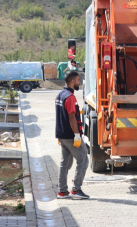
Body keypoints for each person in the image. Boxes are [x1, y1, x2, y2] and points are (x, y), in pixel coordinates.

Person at [55, 71, 89, 199]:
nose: (80, 82)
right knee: (83, 160)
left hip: (62, 135)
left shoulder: (59, 95)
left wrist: (59, 135)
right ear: (72, 81)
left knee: (65, 164)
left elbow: (60, 116)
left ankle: (62, 191)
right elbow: (71, 117)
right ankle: (76, 189)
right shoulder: (70, 97)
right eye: (78, 80)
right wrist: (77, 135)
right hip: (70, 136)